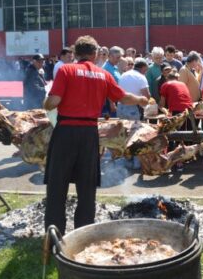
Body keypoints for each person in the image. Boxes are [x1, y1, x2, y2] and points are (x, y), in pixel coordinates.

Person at [43, 36, 148, 235]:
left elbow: (53, 101)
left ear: (75, 53)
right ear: (94, 54)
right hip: (89, 133)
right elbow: (123, 97)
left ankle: (54, 236)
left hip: (65, 131)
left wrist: (46, 104)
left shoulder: (66, 70)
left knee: (58, 185)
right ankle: (82, 236)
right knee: (86, 187)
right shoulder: (103, 74)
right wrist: (142, 99)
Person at [102, 46, 123, 117]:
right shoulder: (106, 68)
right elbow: (106, 87)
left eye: (120, 57)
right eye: (117, 57)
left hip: (115, 98)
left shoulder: (114, 67)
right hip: (109, 102)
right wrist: (112, 103)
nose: (119, 59)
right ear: (110, 56)